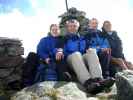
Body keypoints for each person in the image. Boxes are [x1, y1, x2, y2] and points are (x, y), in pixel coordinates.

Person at [55, 19, 115, 94]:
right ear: (67, 27)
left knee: (91, 51)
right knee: (76, 54)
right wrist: (59, 51)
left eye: (74, 26)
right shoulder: (64, 38)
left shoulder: (83, 38)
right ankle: (88, 83)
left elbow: (89, 47)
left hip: (82, 58)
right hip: (71, 60)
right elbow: (58, 48)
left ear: (78, 27)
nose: (72, 28)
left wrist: (99, 49)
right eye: (70, 26)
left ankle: (98, 79)